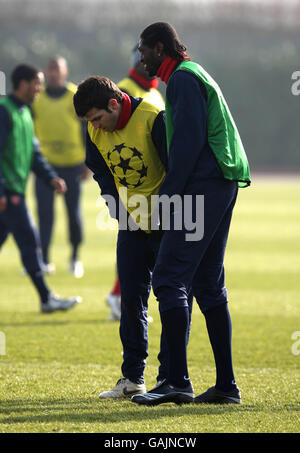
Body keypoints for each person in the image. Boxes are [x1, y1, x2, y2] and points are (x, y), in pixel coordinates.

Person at [131, 22, 251, 406]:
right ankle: (226, 387)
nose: (141, 58)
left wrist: (167, 200)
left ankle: (176, 381)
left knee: (168, 277)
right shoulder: (190, 74)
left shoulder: (181, 79)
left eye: (144, 50)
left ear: (160, 47)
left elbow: (187, 144)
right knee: (208, 285)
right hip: (221, 181)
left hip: (203, 185)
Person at [73, 75, 171, 398]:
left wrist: (169, 215)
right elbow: (99, 170)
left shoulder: (153, 118)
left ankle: (169, 378)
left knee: (170, 299)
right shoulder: (93, 128)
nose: (96, 127)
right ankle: (132, 379)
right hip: (131, 224)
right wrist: (118, 209)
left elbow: (176, 169)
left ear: (114, 104)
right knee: (130, 299)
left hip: (167, 222)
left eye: (98, 118)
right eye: (91, 121)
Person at [0, 63, 82, 313]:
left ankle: (47, 298)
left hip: (14, 191)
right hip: (9, 193)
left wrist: (50, 178)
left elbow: (34, 153)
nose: (40, 88)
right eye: (37, 83)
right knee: (30, 240)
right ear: (23, 84)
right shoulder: (4, 111)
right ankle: (47, 298)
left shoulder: (24, 112)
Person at [106, 45, 165, 321]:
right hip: (133, 183)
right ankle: (120, 296)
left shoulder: (155, 91)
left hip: (155, 186)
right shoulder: (125, 87)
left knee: (145, 248)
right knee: (134, 245)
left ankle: (122, 297)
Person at [32, 57, 88, 278]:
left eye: (57, 69)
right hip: (45, 166)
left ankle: (75, 257)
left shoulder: (76, 96)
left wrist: (87, 161)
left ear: (65, 72)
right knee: (45, 215)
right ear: (46, 72)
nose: (53, 73)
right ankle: (44, 259)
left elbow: (87, 129)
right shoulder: (37, 99)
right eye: (50, 69)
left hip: (72, 165)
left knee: (73, 214)